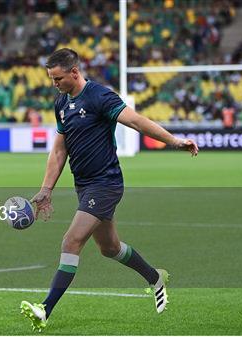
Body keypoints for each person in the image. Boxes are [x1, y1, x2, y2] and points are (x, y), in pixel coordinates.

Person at [20, 48, 198, 332]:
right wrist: (46, 188)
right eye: (51, 79)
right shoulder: (61, 103)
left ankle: (44, 309)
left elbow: (137, 121)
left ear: (75, 72)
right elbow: (59, 150)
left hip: (106, 184)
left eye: (58, 78)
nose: (54, 84)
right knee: (109, 248)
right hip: (85, 185)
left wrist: (174, 141)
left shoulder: (100, 97)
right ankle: (155, 278)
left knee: (71, 242)